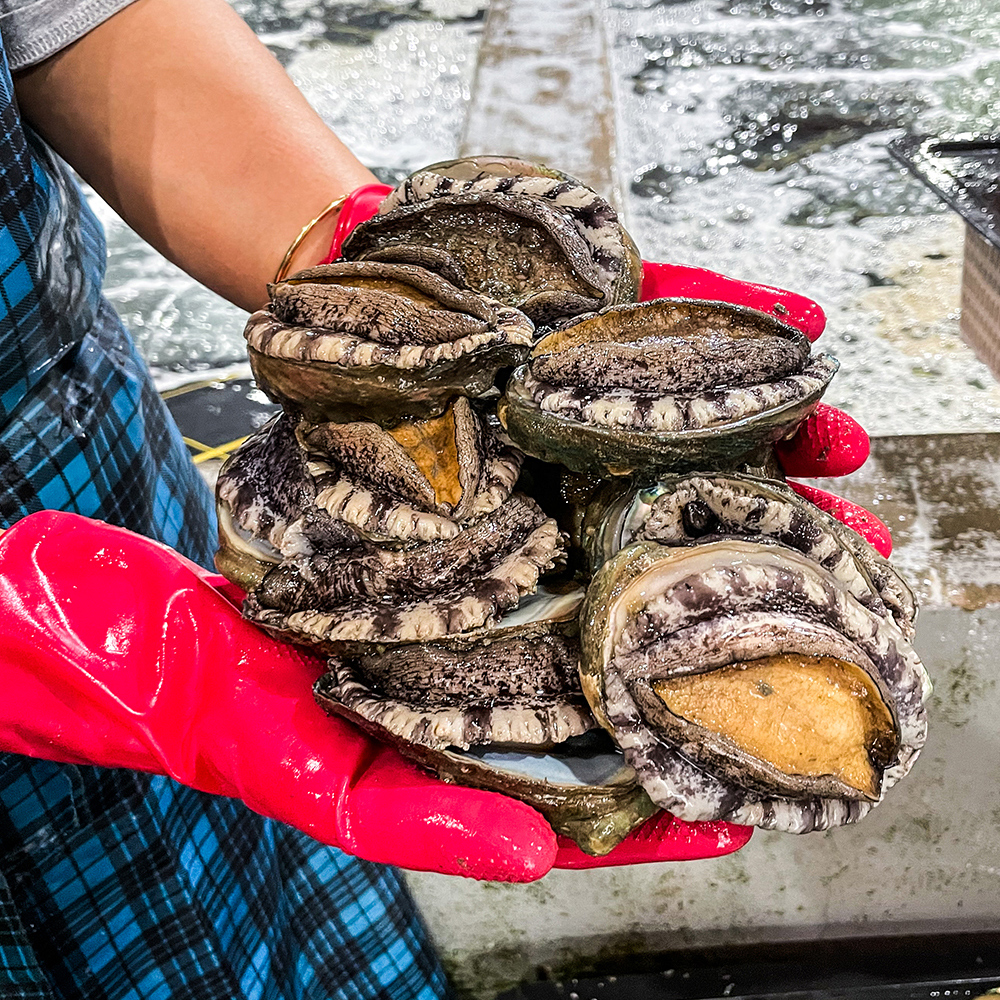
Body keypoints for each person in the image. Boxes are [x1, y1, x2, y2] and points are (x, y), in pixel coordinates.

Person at [0, 0, 885, 995]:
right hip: (72, 619)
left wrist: (376, 273)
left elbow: (66, 19)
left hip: (76, 487)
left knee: (250, 915)